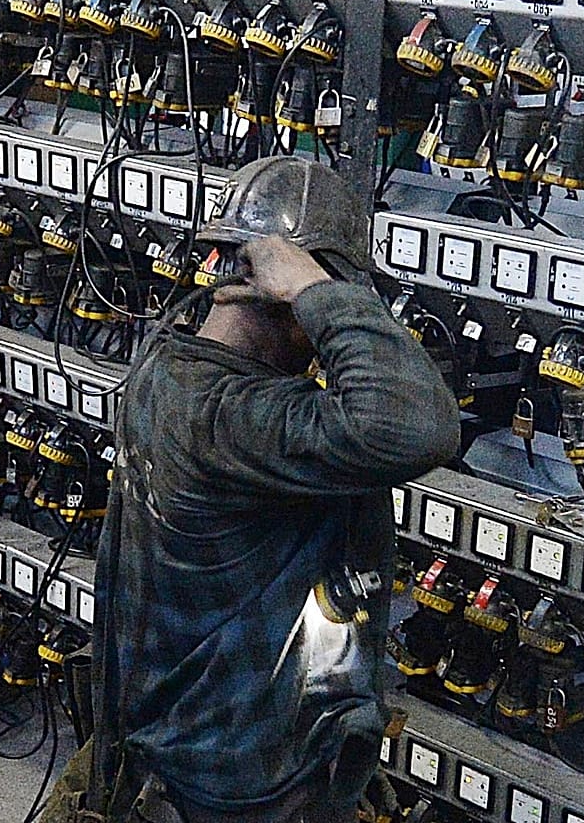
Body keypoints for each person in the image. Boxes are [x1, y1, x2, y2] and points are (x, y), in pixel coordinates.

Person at [48, 157, 461, 823]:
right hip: (236, 786)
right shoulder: (229, 415)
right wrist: (316, 289)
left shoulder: (172, 373)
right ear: (283, 290)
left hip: (200, 754)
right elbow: (417, 426)